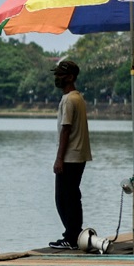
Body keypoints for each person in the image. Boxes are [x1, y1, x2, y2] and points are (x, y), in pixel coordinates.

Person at [49, 60, 92, 249]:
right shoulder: (78, 97)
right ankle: (74, 234)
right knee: (72, 196)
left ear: (71, 77)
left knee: (63, 198)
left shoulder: (68, 100)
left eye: (61, 75)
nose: (57, 78)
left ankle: (71, 236)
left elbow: (65, 130)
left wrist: (59, 159)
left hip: (70, 157)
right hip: (79, 156)